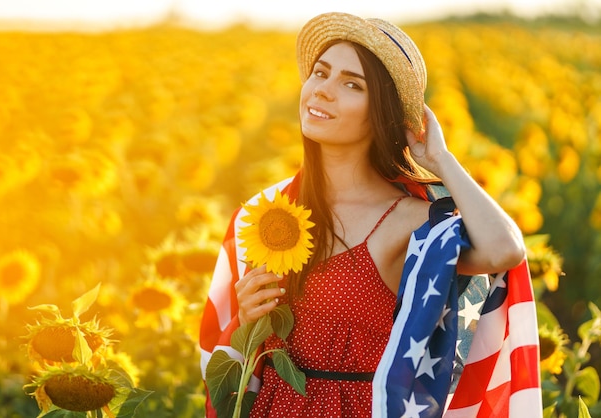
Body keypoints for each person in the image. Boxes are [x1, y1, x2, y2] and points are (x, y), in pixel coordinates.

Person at [200, 12, 540, 418]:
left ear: (381, 113)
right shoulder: (269, 215)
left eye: (351, 84)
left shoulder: (411, 221)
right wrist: (246, 320)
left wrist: (441, 159)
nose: (323, 91)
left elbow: (505, 250)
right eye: (320, 74)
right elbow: (235, 361)